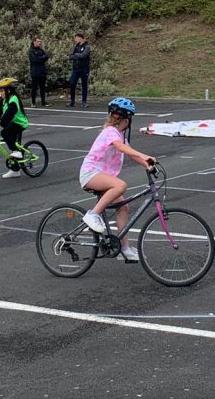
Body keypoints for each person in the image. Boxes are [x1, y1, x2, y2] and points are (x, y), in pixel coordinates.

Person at [79, 97, 156, 263]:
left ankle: (124, 249)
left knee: (124, 208)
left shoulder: (119, 135)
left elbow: (128, 151)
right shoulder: (110, 132)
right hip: (91, 173)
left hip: (102, 176)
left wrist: (146, 164)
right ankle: (92, 215)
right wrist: (145, 156)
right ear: (127, 120)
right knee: (121, 185)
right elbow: (121, 148)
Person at [0, 77, 30, 179]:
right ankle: (15, 171)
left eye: (2, 91)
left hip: (19, 123)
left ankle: (17, 152)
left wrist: (1, 121)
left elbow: (10, 112)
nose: (1, 93)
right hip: (12, 123)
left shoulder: (14, 99)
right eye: (0, 91)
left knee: (5, 133)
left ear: (9, 91)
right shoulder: (4, 101)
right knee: (10, 139)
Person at [66, 32, 91, 108]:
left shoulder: (87, 46)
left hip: (84, 69)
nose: (75, 40)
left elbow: (84, 55)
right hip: (76, 69)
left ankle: (84, 102)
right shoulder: (75, 46)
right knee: (72, 84)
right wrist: (77, 55)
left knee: (84, 85)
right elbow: (70, 55)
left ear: (81, 38)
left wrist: (76, 55)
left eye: (76, 38)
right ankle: (72, 101)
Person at [28, 36, 50, 107]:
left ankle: (43, 102)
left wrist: (41, 58)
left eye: (40, 41)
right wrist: (42, 58)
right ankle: (33, 102)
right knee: (34, 87)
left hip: (42, 71)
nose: (39, 43)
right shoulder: (31, 50)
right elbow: (34, 60)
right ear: (34, 42)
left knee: (42, 87)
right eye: (38, 41)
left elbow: (46, 56)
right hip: (35, 72)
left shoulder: (41, 50)